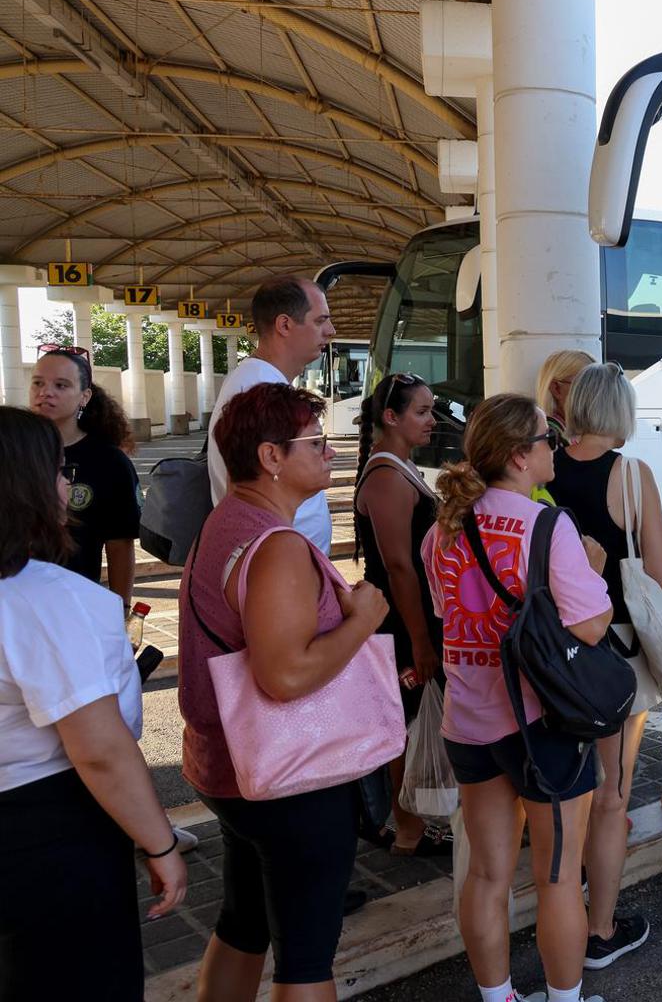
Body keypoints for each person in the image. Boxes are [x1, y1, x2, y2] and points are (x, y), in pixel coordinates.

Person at [181, 383, 390, 1001]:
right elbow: (285, 675)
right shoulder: (277, 546)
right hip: (293, 780)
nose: (331, 452)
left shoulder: (227, 522)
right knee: (305, 958)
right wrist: (361, 619)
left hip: (235, 770)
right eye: (317, 442)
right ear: (272, 457)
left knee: (244, 925)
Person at [423, 393, 614, 1002]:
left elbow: (444, 613)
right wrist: (593, 567)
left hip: (470, 722)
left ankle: (499, 998)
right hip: (542, 724)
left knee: (486, 872)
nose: (554, 447)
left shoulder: (443, 530)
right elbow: (591, 626)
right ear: (517, 456)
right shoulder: (547, 526)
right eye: (545, 439)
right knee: (558, 879)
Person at [0, 407, 186, 1001]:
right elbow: (100, 750)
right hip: (50, 833)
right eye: (57, 473)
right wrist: (160, 842)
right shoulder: (44, 599)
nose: (66, 487)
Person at [546, 363, 662, 969]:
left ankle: (561, 911)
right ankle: (598, 932)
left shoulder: (540, 466)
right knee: (611, 797)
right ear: (620, 412)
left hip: (548, 651)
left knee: (561, 793)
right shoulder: (631, 475)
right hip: (613, 655)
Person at [354, 371, 451, 857]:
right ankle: (408, 830)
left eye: (431, 409)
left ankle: (413, 824)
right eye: (422, 411)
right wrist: (420, 639)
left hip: (407, 615)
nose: (431, 420)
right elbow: (398, 566)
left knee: (408, 719)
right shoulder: (387, 474)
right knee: (404, 721)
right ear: (391, 418)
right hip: (399, 619)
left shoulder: (398, 466)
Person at [209, 275, 338, 552]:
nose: (331, 330)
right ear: (284, 325)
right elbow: (241, 490)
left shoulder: (261, 381)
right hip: (282, 572)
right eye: (320, 320)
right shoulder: (258, 390)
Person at [29, 344, 140, 610]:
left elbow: (119, 544)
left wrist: (120, 609)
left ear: (84, 396)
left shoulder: (109, 462)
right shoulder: (12, 450)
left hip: (76, 605)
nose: (46, 392)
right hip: (14, 606)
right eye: (38, 383)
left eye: (61, 385)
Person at [536, 348, 594, 442]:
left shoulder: (581, 431)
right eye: (584, 385)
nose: (596, 393)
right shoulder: (549, 435)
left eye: (598, 386)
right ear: (556, 388)